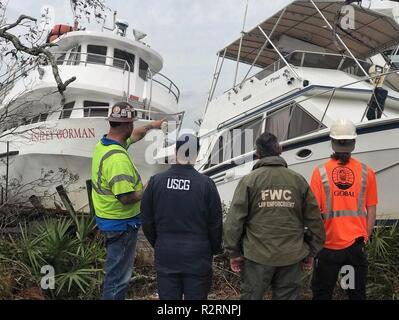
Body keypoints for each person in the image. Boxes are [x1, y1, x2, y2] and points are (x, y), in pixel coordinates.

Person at [224, 132, 325, 300]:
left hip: (257, 257)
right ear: (280, 149)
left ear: (258, 154)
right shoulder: (298, 181)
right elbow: (315, 220)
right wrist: (311, 252)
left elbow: (234, 222)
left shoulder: (249, 181)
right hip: (291, 257)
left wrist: (233, 253)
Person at [91, 101, 164, 300]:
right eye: (131, 123)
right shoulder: (117, 159)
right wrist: (148, 189)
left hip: (109, 220)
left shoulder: (105, 143)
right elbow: (126, 198)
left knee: (115, 272)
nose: (133, 127)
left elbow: (134, 136)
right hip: (120, 224)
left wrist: (152, 126)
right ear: (127, 125)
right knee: (118, 279)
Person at [141, 134, 223, 300]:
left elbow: (147, 220)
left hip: (167, 252)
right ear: (197, 154)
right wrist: (212, 249)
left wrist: (159, 242)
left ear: (175, 150)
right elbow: (215, 224)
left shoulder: (156, 182)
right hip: (197, 255)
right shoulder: (206, 184)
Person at [310, 119, 378, 300]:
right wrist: (364, 239)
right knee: (354, 294)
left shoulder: (320, 172)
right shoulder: (366, 172)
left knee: (322, 294)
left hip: (328, 248)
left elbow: (313, 213)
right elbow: (371, 210)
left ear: (332, 143)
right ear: (353, 143)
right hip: (355, 248)